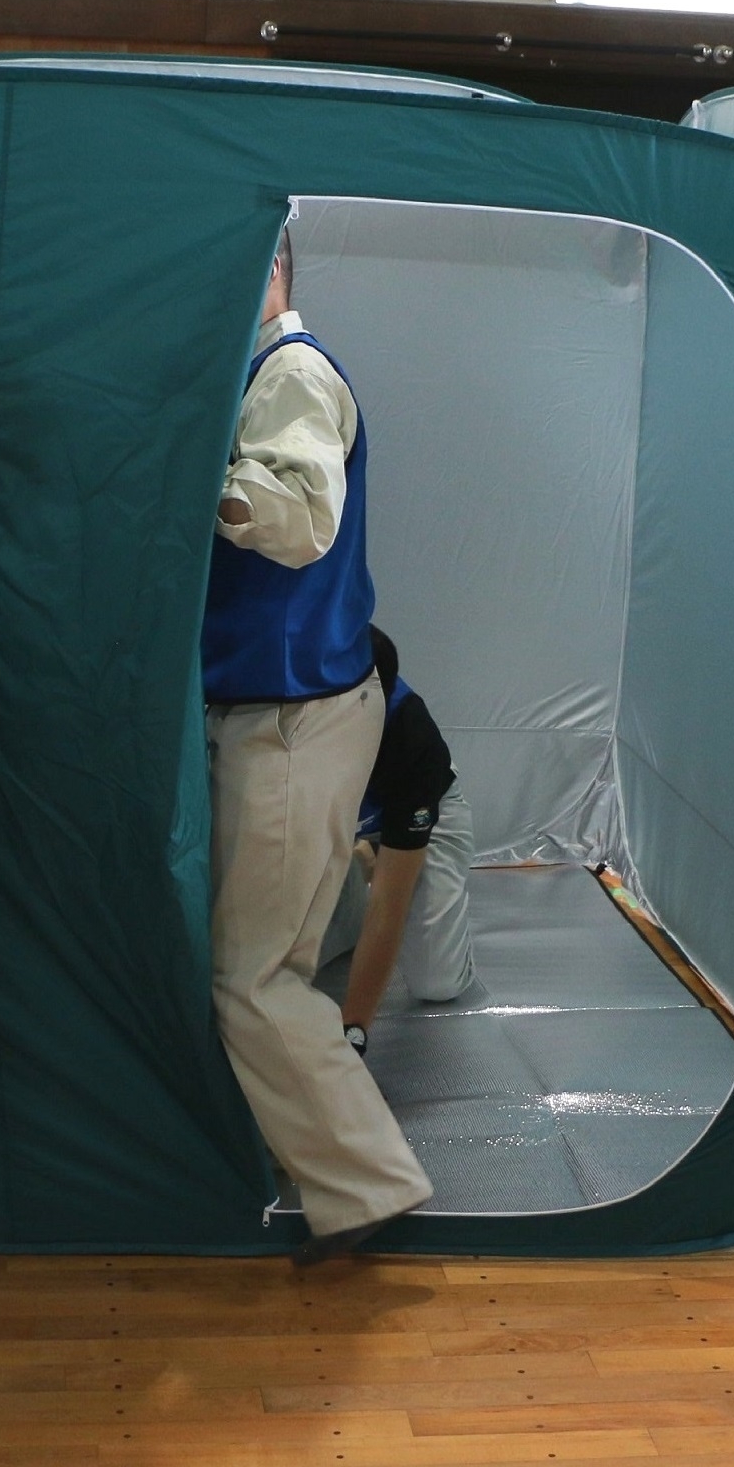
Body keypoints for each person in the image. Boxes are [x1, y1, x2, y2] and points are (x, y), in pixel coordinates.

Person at [209, 249, 432, 1263]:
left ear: (269, 269)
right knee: (266, 965)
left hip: (295, 720)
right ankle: (312, 1163)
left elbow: (299, 520)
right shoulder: (248, 376)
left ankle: (369, 1182)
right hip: (275, 711)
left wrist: (185, 480)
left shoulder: (290, 371)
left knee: (253, 977)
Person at [322, 629, 472, 1033]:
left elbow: (389, 902)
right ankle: (358, 869)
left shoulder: (411, 739)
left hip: (425, 820)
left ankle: (380, 872)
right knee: (281, 960)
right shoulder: (287, 707)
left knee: (436, 981)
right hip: (338, 829)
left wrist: (354, 1030)